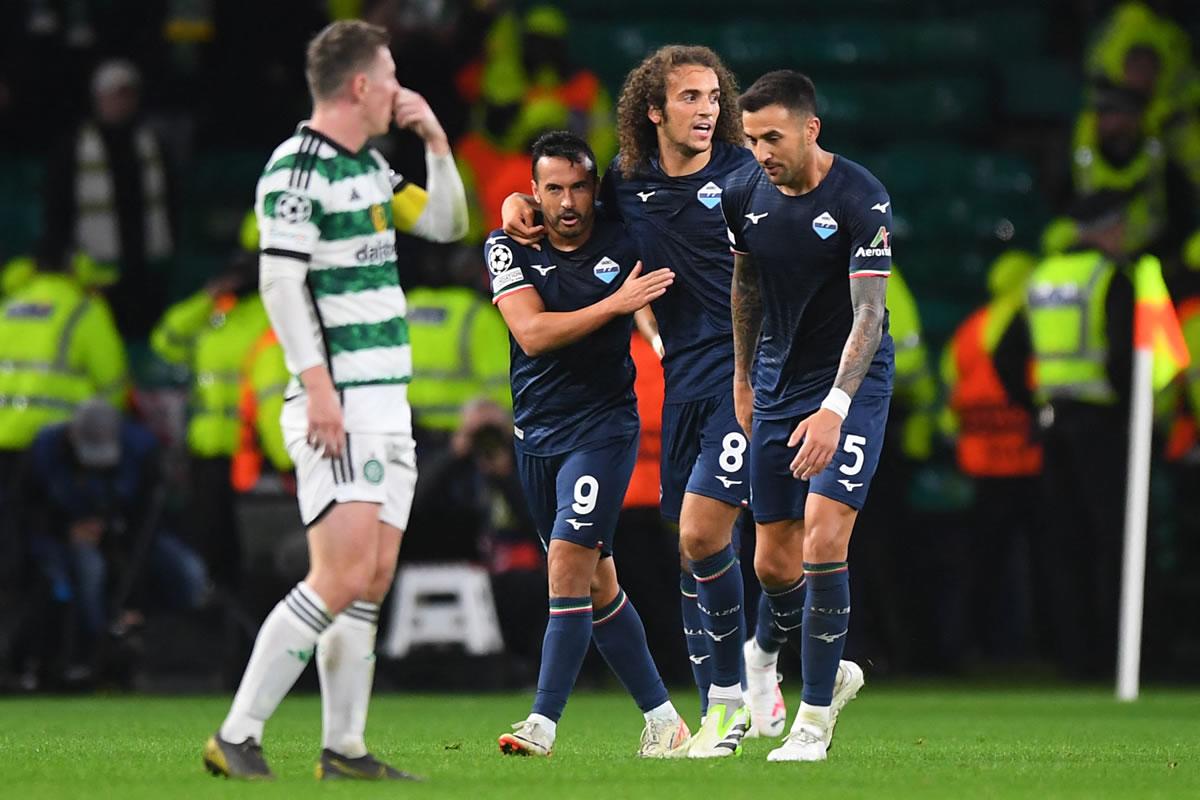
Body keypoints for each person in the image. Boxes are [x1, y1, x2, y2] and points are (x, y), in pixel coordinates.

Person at [202, 19, 468, 781]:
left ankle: (344, 748)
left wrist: (437, 142)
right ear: (359, 85)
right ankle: (238, 733)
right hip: (341, 400)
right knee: (341, 575)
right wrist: (317, 387)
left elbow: (449, 223)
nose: (398, 91)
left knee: (372, 579)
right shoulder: (296, 168)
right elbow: (279, 282)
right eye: (389, 78)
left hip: (386, 403)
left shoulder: (372, 170)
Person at [502, 44, 785, 755]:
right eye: (690, 98)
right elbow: (568, 201)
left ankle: (730, 696)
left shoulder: (748, 174)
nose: (708, 110)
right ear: (653, 110)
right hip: (683, 381)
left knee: (700, 533)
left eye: (714, 98)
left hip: (745, 373)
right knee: (694, 549)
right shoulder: (627, 185)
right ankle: (735, 683)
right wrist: (517, 202)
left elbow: (810, 205)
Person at [489, 130, 688, 759]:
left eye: (579, 187)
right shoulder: (507, 245)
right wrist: (617, 303)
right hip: (536, 438)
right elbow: (532, 334)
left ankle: (542, 722)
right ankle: (664, 720)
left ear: (594, 187)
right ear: (535, 190)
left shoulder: (625, 237)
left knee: (567, 566)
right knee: (598, 584)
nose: (568, 201)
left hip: (602, 430)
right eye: (553, 188)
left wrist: (640, 312)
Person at [724, 70, 889, 762]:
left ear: (810, 128)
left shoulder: (860, 196)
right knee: (772, 562)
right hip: (776, 383)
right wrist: (741, 375)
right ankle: (766, 651)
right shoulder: (743, 194)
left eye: (773, 136)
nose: (761, 150)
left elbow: (870, 317)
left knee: (825, 540)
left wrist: (834, 409)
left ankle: (813, 723)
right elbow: (748, 280)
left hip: (851, 386)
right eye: (751, 137)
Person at [994, 191, 1138, 678]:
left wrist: (1035, 405)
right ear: (1106, 228)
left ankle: (1074, 658)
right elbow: (1124, 357)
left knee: (1063, 542)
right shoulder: (1110, 277)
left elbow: (1004, 354)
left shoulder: (1043, 277)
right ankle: (1119, 655)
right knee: (1114, 540)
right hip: (1103, 424)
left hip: (1054, 426)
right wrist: (1131, 408)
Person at [18, 400, 207, 687]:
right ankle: (88, 649)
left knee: (186, 574)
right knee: (87, 570)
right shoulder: (46, 451)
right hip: (66, 537)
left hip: (124, 533)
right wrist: (67, 529)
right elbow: (26, 509)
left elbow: (147, 523)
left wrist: (111, 529)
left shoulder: (141, 451)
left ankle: (136, 629)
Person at [150, 252, 268, 590]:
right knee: (210, 537)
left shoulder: (270, 315)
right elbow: (165, 340)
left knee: (248, 542)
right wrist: (206, 299)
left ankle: (246, 601)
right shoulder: (215, 315)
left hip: (252, 450)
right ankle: (216, 601)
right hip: (209, 448)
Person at [42, 59, 174, 340]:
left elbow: (171, 201)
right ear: (98, 98)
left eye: (127, 95)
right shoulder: (73, 146)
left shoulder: (152, 142)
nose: (121, 103)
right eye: (114, 95)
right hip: (95, 269)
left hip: (145, 265)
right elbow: (57, 207)